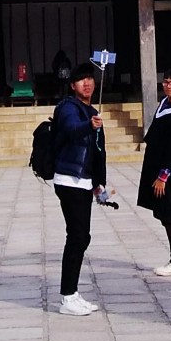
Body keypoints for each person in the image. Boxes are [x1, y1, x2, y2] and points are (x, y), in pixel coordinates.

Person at [50, 59, 107, 315]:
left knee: (82, 236)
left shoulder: (92, 110)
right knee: (77, 236)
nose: (87, 83)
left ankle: (72, 293)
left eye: (90, 79)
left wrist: (99, 182)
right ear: (73, 85)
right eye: (81, 80)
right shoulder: (67, 108)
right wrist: (89, 125)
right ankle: (67, 297)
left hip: (84, 181)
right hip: (69, 179)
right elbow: (72, 130)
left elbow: (98, 150)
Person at [137, 68, 171, 276]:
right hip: (159, 166)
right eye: (166, 82)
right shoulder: (164, 104)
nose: (168, 86)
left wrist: (163, 176)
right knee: (164, 215)